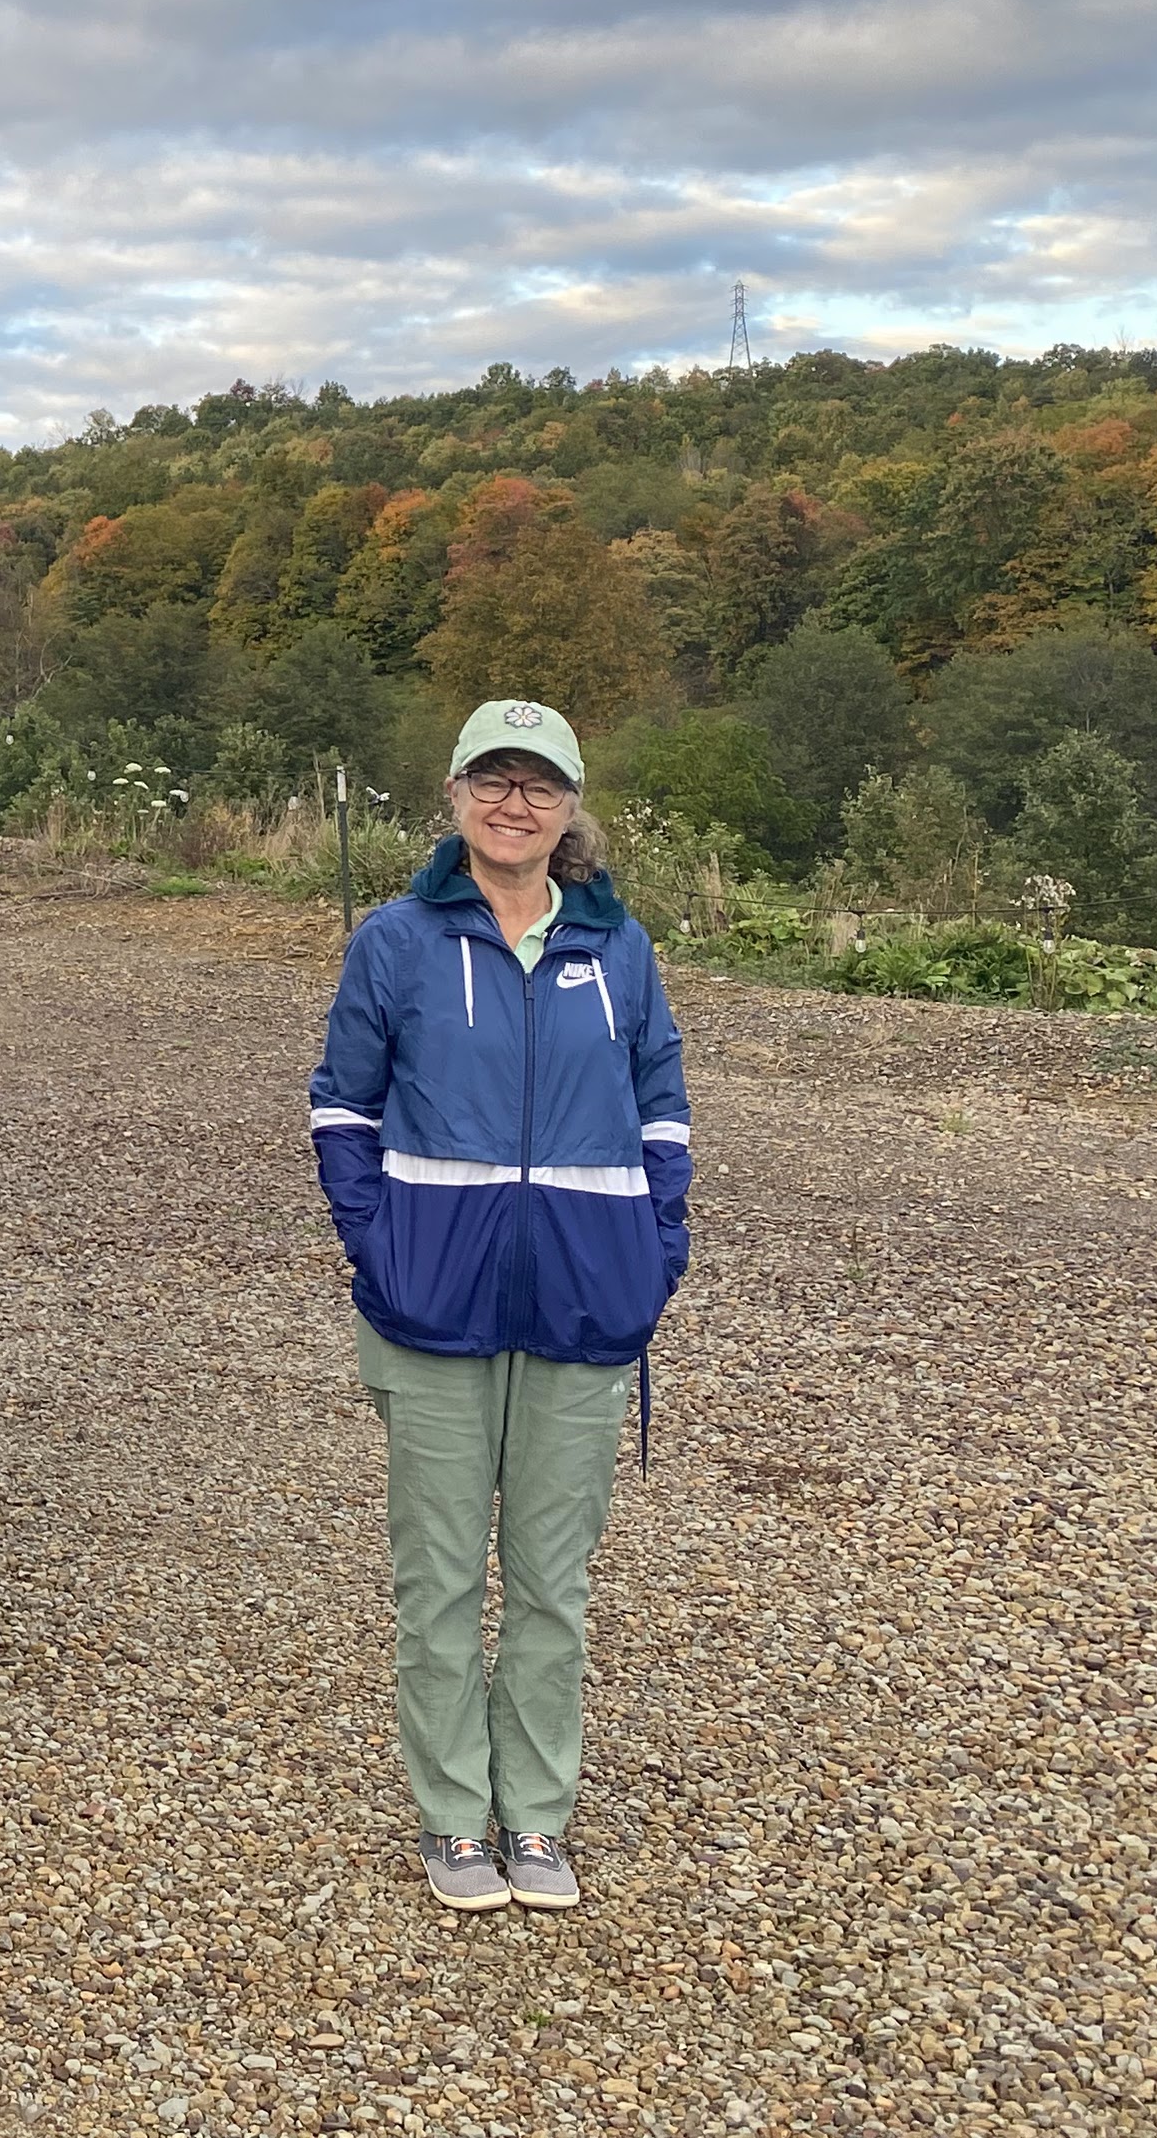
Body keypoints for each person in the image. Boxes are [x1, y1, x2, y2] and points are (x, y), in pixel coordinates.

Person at [306, 699, 691, 1914]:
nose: (513, 802)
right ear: (456, 793)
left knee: (550, 1585)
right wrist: (382, 1246)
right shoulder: (398, 941)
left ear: (572, 805)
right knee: (437, 1582)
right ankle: (452, 1821)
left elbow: (663, 1109)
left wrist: (653, 1248)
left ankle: (536, 1817)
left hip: (586, 1307)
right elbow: (342, 1108)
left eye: (539, 782)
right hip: (433, 1310)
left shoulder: (618, 947)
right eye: (492, 777)